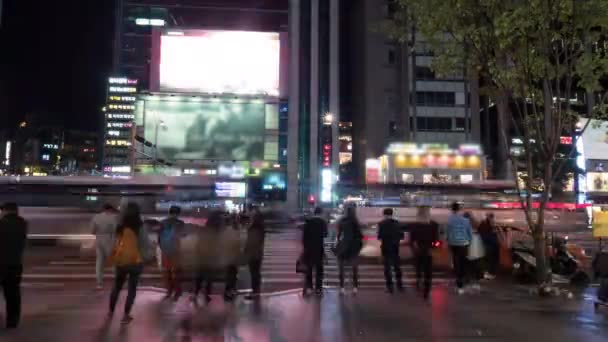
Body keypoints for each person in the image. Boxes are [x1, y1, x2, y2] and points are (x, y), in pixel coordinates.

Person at [108, 202, 151, 324]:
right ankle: (126, 315)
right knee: (132, 289)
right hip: (135, 261)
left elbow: (115, 242)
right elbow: (145, 244)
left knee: (117, 286)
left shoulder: (120, 226)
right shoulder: (140, 226)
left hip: (121, 261)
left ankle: (111, 311)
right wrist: (145, 258)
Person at [0, 203, 27, 329]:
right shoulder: (23, 224)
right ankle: (12, 321)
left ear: (5, 211)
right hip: (15, 263)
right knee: (13, 294)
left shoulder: (2, 223)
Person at [408, 206, 439, 299]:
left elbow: (411, 240)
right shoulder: (434, 224)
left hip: (418, 250)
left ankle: (418, 282)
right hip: (428, 250)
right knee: (428, 271)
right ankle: (427, 290)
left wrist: (414, 248)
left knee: (418, 268)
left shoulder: (414, 225)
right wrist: (434, 247)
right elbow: (436, 240)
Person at [158, 205, 186, 300]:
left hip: (165, 251)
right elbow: (184, 236)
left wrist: (162, 247)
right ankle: (177, 291)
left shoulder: (162, 223)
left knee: (167, 272)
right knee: (176, 272)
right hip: (176, 251)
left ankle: (169, 291)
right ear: (178, 213)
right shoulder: (180, 223)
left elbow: (159, 237)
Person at [336, 206, 363, 295]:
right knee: (354, 268)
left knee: (341, 268)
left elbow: (338, 235)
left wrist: (339, 243)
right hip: (353, 248)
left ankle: (342, 288)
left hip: (343, 246)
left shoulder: (342, 221)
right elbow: (360, 236)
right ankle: (355, 288)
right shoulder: (356, 222)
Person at [446, 202, 473, 294]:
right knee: (463, 261)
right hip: (463, 243)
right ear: (459, 209)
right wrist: (469, 241)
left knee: (456, 261)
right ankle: (462, 280)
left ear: (452, 209)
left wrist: (448, 241)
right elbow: (469, 232)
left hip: (453, 243)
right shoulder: (465, 220)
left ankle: (458, 280)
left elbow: (448, 232)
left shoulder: (450, 220)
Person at [90, 203, 118, 290]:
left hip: (99, 239)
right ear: (110, 209)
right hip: (110, 239)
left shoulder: (96, 217)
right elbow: (116, 229)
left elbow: (92, 231)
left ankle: (99, 283)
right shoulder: (113, 217)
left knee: (99, 261)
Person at [302, 207, 328, 296]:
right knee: (319, 269)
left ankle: (309, 287)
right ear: (320, 213)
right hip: (319, 248)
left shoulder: (308, 222)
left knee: (309, 268)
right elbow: (325, 234)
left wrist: (305, 247)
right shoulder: (322, 222)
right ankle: (318, 288)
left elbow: (304, 237)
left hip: (309, 248)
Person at [378, 208, 404, 293]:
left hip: (386, 248)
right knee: (397, 267)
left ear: (384, 214)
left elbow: (379, 237)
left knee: (387, 269)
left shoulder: (381, 224)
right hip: (395, 248)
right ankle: (400, 286)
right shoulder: (397, 223)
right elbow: (401, 236)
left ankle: (390, 288)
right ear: (391, 214)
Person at [243, 209, 266, 300]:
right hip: (257, 253)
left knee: (254, 273)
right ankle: (256, 291)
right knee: (256, 273)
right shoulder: (260, 227)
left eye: (253, 215)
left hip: (254, 253)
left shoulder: (255, 228)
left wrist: (246, 251)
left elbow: (251, 241)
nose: (251, 216)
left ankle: (255, 292)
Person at [464, 212, 484, 292]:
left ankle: (467, 279)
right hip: (475, 246)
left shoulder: (464, 225)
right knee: (476, 263)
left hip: (468, 246)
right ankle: (477, 278)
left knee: (467, 264)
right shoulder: (475, 225)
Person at [478, 212, 499, 279]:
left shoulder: (483, 224)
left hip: (486, 244)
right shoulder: (492, 225)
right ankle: (490, 273)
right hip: (491, 244)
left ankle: (487, 273)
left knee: (487, 260)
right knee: (491, 260)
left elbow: (479, 231)